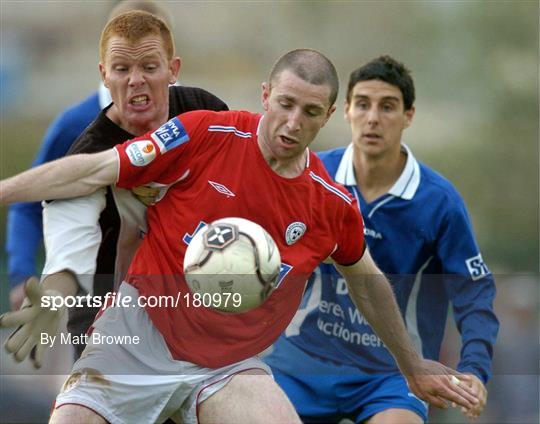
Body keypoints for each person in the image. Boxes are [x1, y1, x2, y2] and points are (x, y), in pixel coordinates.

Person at [0, 49, 479, 424]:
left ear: (329, 114)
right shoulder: (205, 135)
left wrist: (412, 364)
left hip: (229, 365)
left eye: (310, 112)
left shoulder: (331, 204)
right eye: (286, 105)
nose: (293, 124)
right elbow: (95, 170)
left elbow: (367, 280)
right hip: (140, 333)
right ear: (266, 94)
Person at [264, 55, 499, 423]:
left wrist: (475, 369)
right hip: (299, 365)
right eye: (362, 104)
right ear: (344, 112)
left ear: (408, 116)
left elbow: (474, 292)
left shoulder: (439, 202)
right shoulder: (313, 174)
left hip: (392, 376)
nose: (372, 118)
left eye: (387, 107)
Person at [2, 10, 228, 367]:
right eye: (122, 70)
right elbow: (68, 260)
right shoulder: (87, 151)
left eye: (149, 68)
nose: (135, 80)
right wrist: (48, 300)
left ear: (173, 69)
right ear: (104, 76)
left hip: (192, 314)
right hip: (108, 322)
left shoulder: (206, 113)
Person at [4, 0, 173, 311]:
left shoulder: (195, 116)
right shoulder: (75, 125)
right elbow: (30, 203)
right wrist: (22, 275)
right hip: (93, 297)